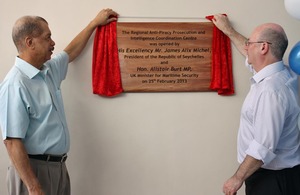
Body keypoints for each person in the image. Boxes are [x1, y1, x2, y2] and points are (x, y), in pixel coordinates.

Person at [0, 8, 118, 195]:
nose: (53, 42)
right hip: (32, 172)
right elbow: (12, 142)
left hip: (58, 169)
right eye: (47, 37)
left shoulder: (48, 71)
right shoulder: (15, 84)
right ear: (30, 42)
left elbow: (70, 52)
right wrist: (33, 187)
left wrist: (94, 23)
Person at [212, 14, 300, 195]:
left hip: (272, 181)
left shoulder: (270, 91)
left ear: (263, 48)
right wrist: (228, 30)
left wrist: (236, 179)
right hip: (276, 176)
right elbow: (249, 53)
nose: (246, 46)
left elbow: (263, 147)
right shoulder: (283, 73)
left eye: (250, 43)